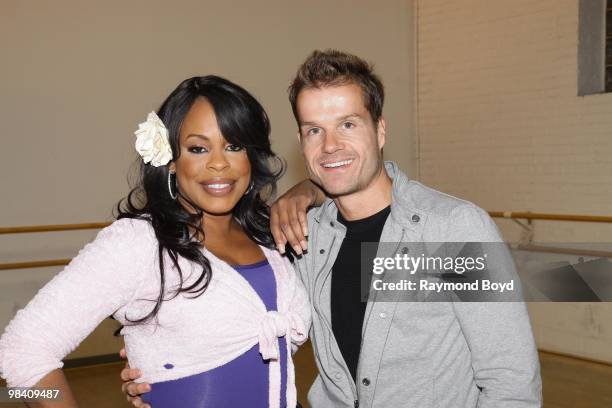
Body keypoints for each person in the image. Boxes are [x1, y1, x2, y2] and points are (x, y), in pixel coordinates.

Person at [122, 50, 542, 408]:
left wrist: (306, 190)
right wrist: (164, 368)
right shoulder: (301, 236)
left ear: (379, 130)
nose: (330, 146)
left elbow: (511, 379)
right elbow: (235, 326)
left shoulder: (453, 229)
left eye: (348, 124)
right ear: (302, 141)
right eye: (314, 131)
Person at [0, 76, 311, 408]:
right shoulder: (138, 243)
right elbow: (19, 352)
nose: (219, 163)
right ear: (171, 160)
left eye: (234, 146)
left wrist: (313, 188)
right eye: (198, 148)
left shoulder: (273, 234)